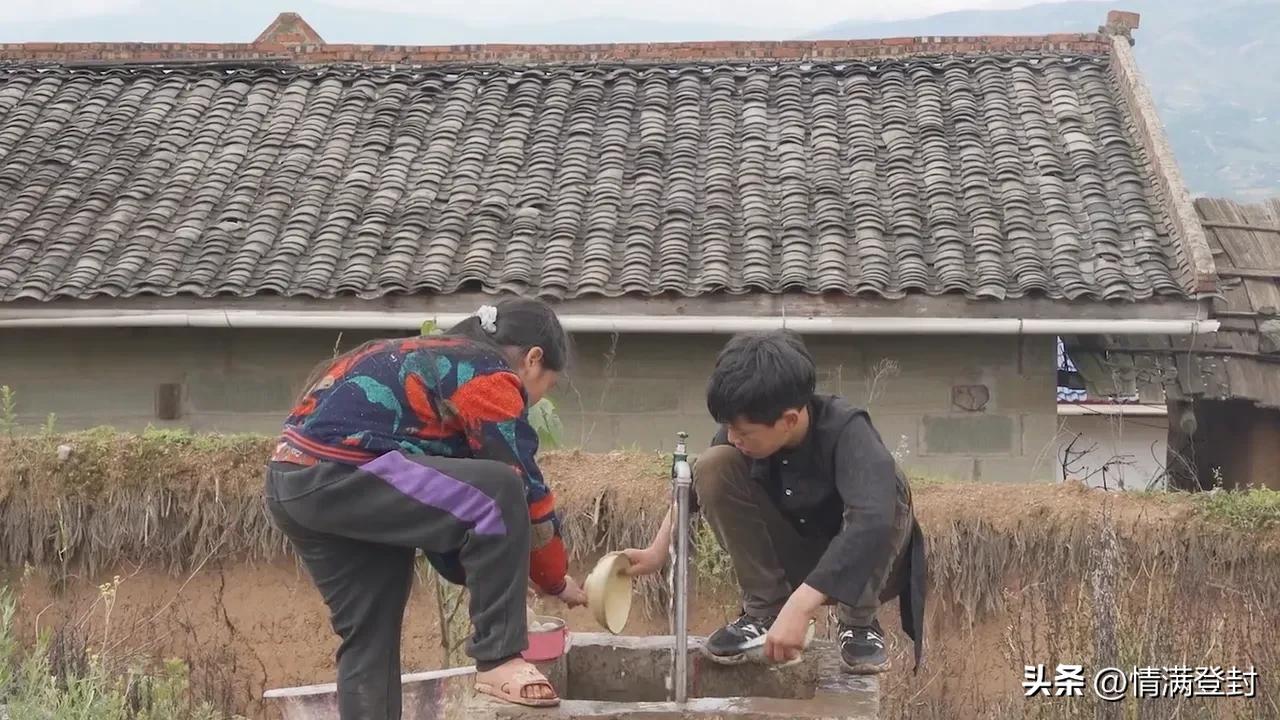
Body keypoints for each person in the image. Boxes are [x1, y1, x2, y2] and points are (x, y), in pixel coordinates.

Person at [263, 297, 586, 719]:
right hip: (344, 472)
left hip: (294, 479)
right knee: (501, 488)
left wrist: (503, 573)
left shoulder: (421, 356)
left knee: (371, 636)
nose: (538, 400)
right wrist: (553, 578)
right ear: (533, 359)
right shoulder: (484, 373)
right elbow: (523, 486)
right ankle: (499, 658)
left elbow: (444, 513)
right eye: (549, 385)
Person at [622, 330, 926, 674]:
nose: (733, 437)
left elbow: (871, 522)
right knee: (712, 464)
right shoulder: (740, 435)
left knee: (887, 486)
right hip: (795, 557)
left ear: (789, 420)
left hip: (864, 567)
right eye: (729, 427)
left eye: (744, 432)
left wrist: (801, 606)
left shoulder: (848, 432)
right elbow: (688, 491)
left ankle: (858, 621)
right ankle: (764, 611)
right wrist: (656, 552)